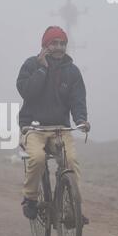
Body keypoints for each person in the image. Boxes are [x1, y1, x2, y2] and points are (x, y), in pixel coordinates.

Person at [16, 26, 91, 220]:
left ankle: (73, 208)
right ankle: (30, 198)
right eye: (54, 43)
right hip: (33, 128)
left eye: (62, 43)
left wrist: (81, 119)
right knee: (38, 159)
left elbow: (78, 99)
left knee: (71, 162)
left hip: (60, 129)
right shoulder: (31, 65)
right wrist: (42, 69)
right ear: (45, 46)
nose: (59, 47)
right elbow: (27, 92)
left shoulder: (73, 72)